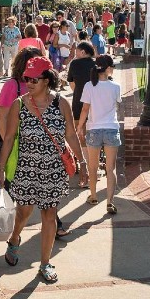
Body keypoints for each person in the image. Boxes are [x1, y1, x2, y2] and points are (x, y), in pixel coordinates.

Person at [0, 57, 72, 284]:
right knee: (24, 212)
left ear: (47, 80)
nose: (28, 82)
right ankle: (15, 237)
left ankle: (45, 263)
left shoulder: (62, 103)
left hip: (53, 169)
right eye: (26, 78)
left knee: (49, 215)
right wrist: (1, 169)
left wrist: (84, 163)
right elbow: (8, 139)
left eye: (34, 79)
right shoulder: (19, 104)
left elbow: (70, 136)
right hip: (26, 169)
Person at [77, 55, 122, 212]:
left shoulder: (89, 86)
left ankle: (94, 195)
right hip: (111, 128)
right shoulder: (115, 86)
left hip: (94, 129)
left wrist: (79, 127)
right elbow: (116, 105)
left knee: (93, 166)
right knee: (111, 169)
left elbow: (85, 109)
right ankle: (110, 201)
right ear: (108, 68)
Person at [66, 41, 97, 189]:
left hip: (78, 102)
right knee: (93, 136)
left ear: (83, 52)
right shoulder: (97, 65)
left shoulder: (74, 64)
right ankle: (93, 168)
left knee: (81, 135)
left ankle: (83, 164)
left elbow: (71, 84)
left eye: (77, 51)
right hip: (96, 105)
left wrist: (79, 91)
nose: (75, 53)